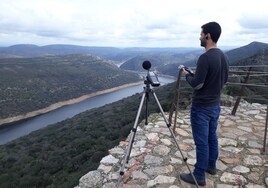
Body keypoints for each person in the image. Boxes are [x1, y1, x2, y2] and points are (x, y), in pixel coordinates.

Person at [179, 21, 229, 186]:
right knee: (211, 137)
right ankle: (211, 167)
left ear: (208, 35)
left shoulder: (205, 57)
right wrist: (195, 75)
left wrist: (187, 75)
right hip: (215, 105)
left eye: (201, 34)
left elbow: (197, 84)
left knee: (201, 142)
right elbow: (224, 79)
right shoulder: (223, 55)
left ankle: (199, 175)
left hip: (201, 107)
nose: (199, 37)